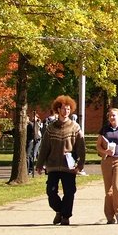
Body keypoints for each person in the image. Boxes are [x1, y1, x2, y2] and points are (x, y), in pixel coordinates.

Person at [35, 95, 86, 225]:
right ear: (58, 110)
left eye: (68, 109)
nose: (66, 111)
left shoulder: (75, 127)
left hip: (69, 166)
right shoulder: (51, 128)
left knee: (69, 192)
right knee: (51, 192)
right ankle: (59, 210)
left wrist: (80, 164)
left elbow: (81, 147)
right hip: (53, 166)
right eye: (64, 108)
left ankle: (65, 216)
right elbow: (44, 147)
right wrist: (40, 164)